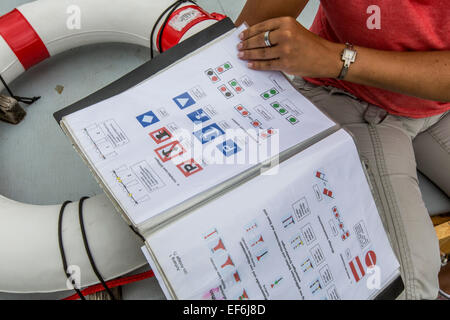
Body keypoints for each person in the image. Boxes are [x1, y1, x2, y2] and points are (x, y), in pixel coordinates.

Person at [235, 0, 450, 300]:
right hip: (349, 96)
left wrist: (338, 58)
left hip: (438, 105)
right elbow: (245, 37)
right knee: (410, 286)